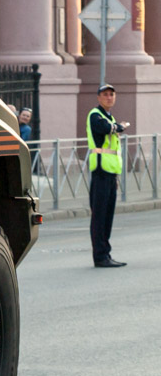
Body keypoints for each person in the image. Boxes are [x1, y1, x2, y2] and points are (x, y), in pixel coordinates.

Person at [87, 84, 129, 268]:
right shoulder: (95, 114)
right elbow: (106, 128)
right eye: (105, 94)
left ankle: (106, 253)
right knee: (99, 216)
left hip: (110, 172)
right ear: (99, 98)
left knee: (107, 216)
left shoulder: (109, 116)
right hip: (100, 172)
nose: (109, 97)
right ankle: (100, 256)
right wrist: (119, 127)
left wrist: (117, 177)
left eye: (112, 94)